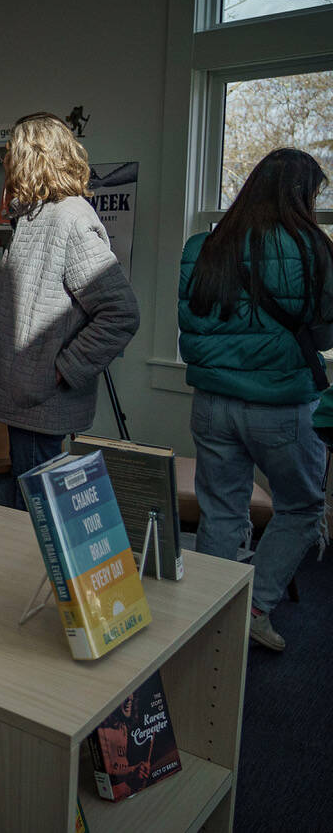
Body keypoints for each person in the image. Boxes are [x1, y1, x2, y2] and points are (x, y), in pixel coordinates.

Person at [179, 147, 333, 652]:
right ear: (302, 195)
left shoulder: (205, 245)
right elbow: (325, 334)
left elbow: (192, 322)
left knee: (221, 512)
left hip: (213, 404)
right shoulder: (314, 248)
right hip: (282, 407)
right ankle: (256, 607)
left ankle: (209, 613)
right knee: (304, 508)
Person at [0, 112, 138, 502]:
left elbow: (121, 312)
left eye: (11, 154)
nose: (6, 164)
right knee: (17, 509)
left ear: (31, 158)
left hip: (41, 400)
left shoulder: (70, 219)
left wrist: (64, 368)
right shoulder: (34, 216)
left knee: (36, 514)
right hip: (21, 398)